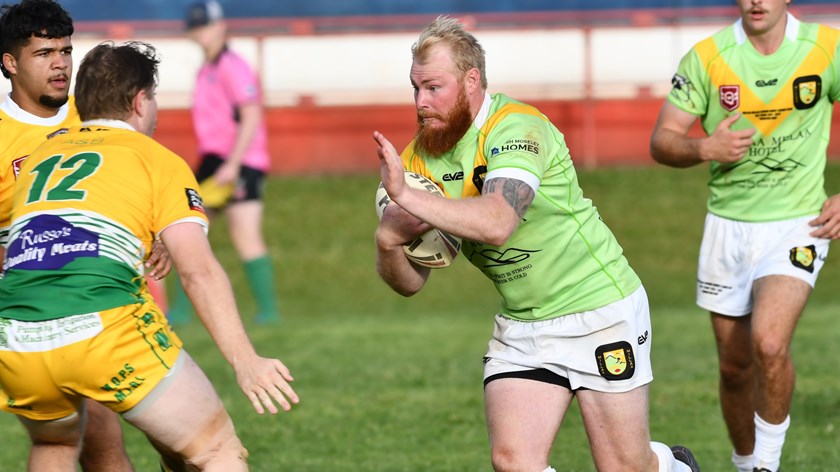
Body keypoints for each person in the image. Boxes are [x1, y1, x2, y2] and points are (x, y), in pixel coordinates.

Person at [373, 16, 700, 472]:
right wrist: (388, 241)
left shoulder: (518, 128)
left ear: (471, 81)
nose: (421, 103)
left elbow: (498, 223)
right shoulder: (417, 161)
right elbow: (410, 284)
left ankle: (671, 466)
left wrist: (406, 198)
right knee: (513, 462)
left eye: (433, 88)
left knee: (625, 466)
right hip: (523, 326)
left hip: (598, 309)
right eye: (415, 89)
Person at [0, 40, 299, 471]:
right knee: (216, 451)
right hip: (100, 326)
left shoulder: (40, 158)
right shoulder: (157, 159)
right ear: (140, 102)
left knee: (58, 445)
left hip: (16, 335)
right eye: (153, 97)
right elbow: (198, 272)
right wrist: (245, 360)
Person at [649, 1, 840, 471]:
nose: (757, 1)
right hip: (727, 229)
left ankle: (765, 467)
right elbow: (663, 139)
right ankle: (744, 463)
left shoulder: (826, 47)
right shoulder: (708, 57)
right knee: (735, 369)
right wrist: (703, 147)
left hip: (799, 223)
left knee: (769, 344)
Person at [0, 1, 167, 470]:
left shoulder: (92, 112)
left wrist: (159, 229)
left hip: (118, 300)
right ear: (10, 63)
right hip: (42, 311)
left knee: (179, 441)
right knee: (99, 437)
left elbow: (141, 170)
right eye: (43, 53)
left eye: (66, 50)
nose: (60, 63)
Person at [168, 0, 279, 325]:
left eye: (206, 25)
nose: (201, 32)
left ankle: (268, 313)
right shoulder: (206, 70)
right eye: (197, 27)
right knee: (186, 232)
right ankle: (183, 312)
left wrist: (233, 163)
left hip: (238, 163)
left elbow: (251, 114)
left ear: (220, 26)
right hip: (213, 161)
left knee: (244, 236)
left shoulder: (232, 65)